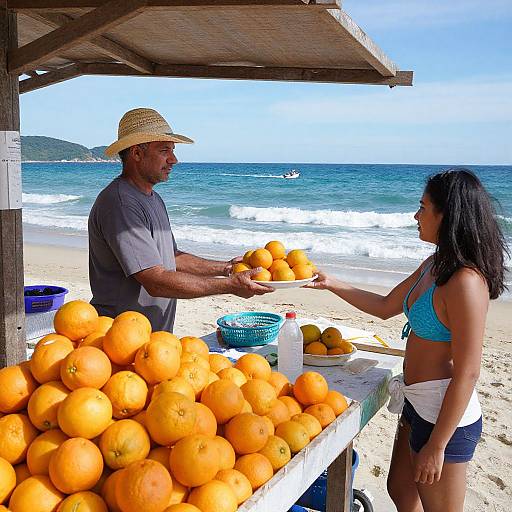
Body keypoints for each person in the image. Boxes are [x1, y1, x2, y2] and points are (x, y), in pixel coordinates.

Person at [306, 169, 508, 511]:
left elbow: (469, 372)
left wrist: (438, 445)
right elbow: (386, 307)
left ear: (448, 215)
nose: (416, 216)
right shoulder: (434, 264)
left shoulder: (465, 282)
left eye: (423, 207)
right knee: (400, 491)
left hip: (446, 417)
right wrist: (332, 283)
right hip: (416, 402)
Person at [88, 107, 273, 332]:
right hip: (119, 340)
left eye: (173, 150)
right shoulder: (121, 203)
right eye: (165, 150)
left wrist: (226, 268)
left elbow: (172, 258)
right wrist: (230, 286)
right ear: (136, 153)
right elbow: (155, 280)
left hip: (151, 341)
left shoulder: (152, 198)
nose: (174, 159)